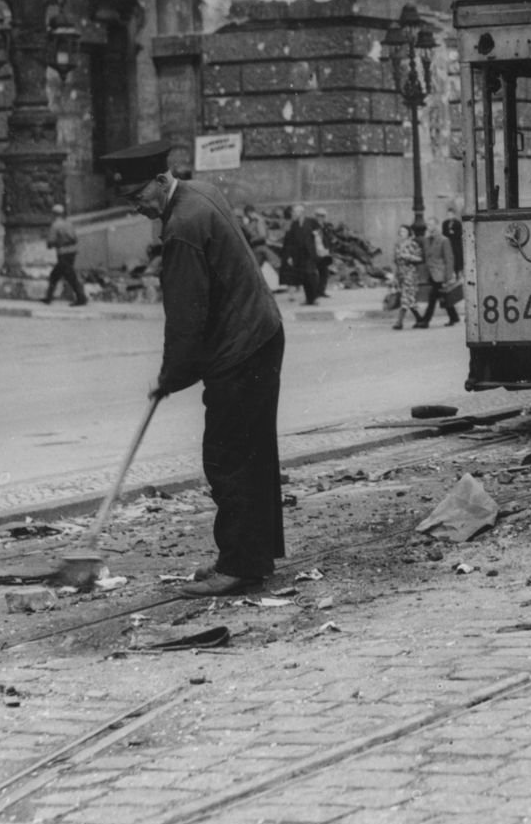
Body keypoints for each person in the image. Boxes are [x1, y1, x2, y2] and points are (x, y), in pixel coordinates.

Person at [103, 139, 286, 598]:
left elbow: (186, 317)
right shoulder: (201, 193)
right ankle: (253, 555)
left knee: (227, 458)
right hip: (260, 335)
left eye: (138, 198)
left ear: (161, 182)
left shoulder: (181, 227)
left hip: (239, 349)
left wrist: (170, 377)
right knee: (256, 453)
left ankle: (240, 566)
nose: (137, 209)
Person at [43, 201, 89, 306]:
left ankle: (81, 298)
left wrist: (52, 244)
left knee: (69, 277)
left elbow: (50, 242)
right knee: (56, 275)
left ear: (54, 214)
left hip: (63, 253)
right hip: (72, 253)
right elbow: (75, 238)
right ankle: (48, 298)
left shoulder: (55, 225)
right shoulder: (69, 223)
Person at [416, 221, 459, 328]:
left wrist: (448, 276)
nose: (429, 227)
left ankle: (426, 320)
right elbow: (425, 255)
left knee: (433, 297)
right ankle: (454, 317)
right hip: (431, 273)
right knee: (442, 296)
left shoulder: (444, 240)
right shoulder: (426, 240)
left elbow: (449, 258)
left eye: (431, 225)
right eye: (428, 226)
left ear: (437, 226)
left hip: (440, 274)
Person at [280, 204, 323, 305]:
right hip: (299, 255)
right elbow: (290, 241)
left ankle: (314, 298)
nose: (293, 214)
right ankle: (308, 299)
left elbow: (319, 234)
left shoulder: (311, 221)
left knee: (311, 274)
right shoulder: (294, 224)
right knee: (304, 276)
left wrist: (319, 246)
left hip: (310, 253)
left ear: (301, 212)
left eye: (295, 212)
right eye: (293, 212)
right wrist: (290, 256)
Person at [391, 225, 423, 330]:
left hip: (410, 272)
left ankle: (399, 322)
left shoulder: (413, 244)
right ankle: (419, 318)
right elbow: (395, 261)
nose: (402, 233)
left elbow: (420, 258)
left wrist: (409, 257)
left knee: (405, 297)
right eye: (400, 231)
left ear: (408, 232)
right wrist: (395, 276)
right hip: (401, 273)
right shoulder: (398, 245)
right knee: (410, 298)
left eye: (404, 231)